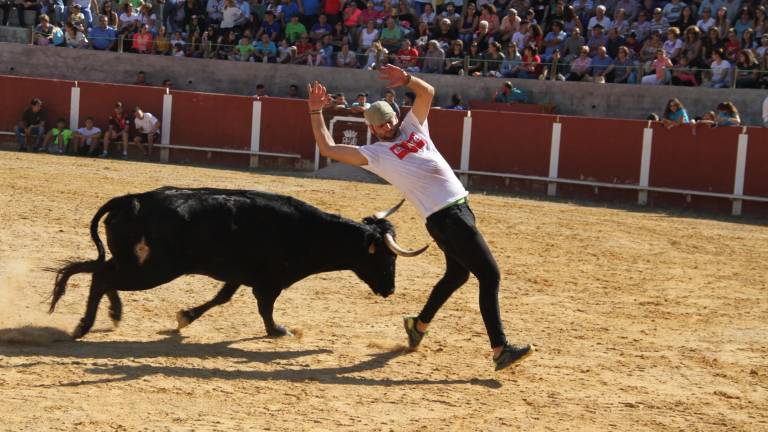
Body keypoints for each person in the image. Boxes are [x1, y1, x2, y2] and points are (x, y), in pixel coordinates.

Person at [306, 65, 534, 371]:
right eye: (382, 126)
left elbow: (427, 93)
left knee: (458, 275)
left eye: (389, 120)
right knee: (490, 276)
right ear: (373, 130)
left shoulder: (414, 126)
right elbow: (328, 148)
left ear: (396, 116)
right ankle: (500, 349)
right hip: (446, 217)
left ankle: (418, 325)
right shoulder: (375, 154)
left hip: (458, 210)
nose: (388, 127)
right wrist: (315, 112)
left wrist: (407, 80)